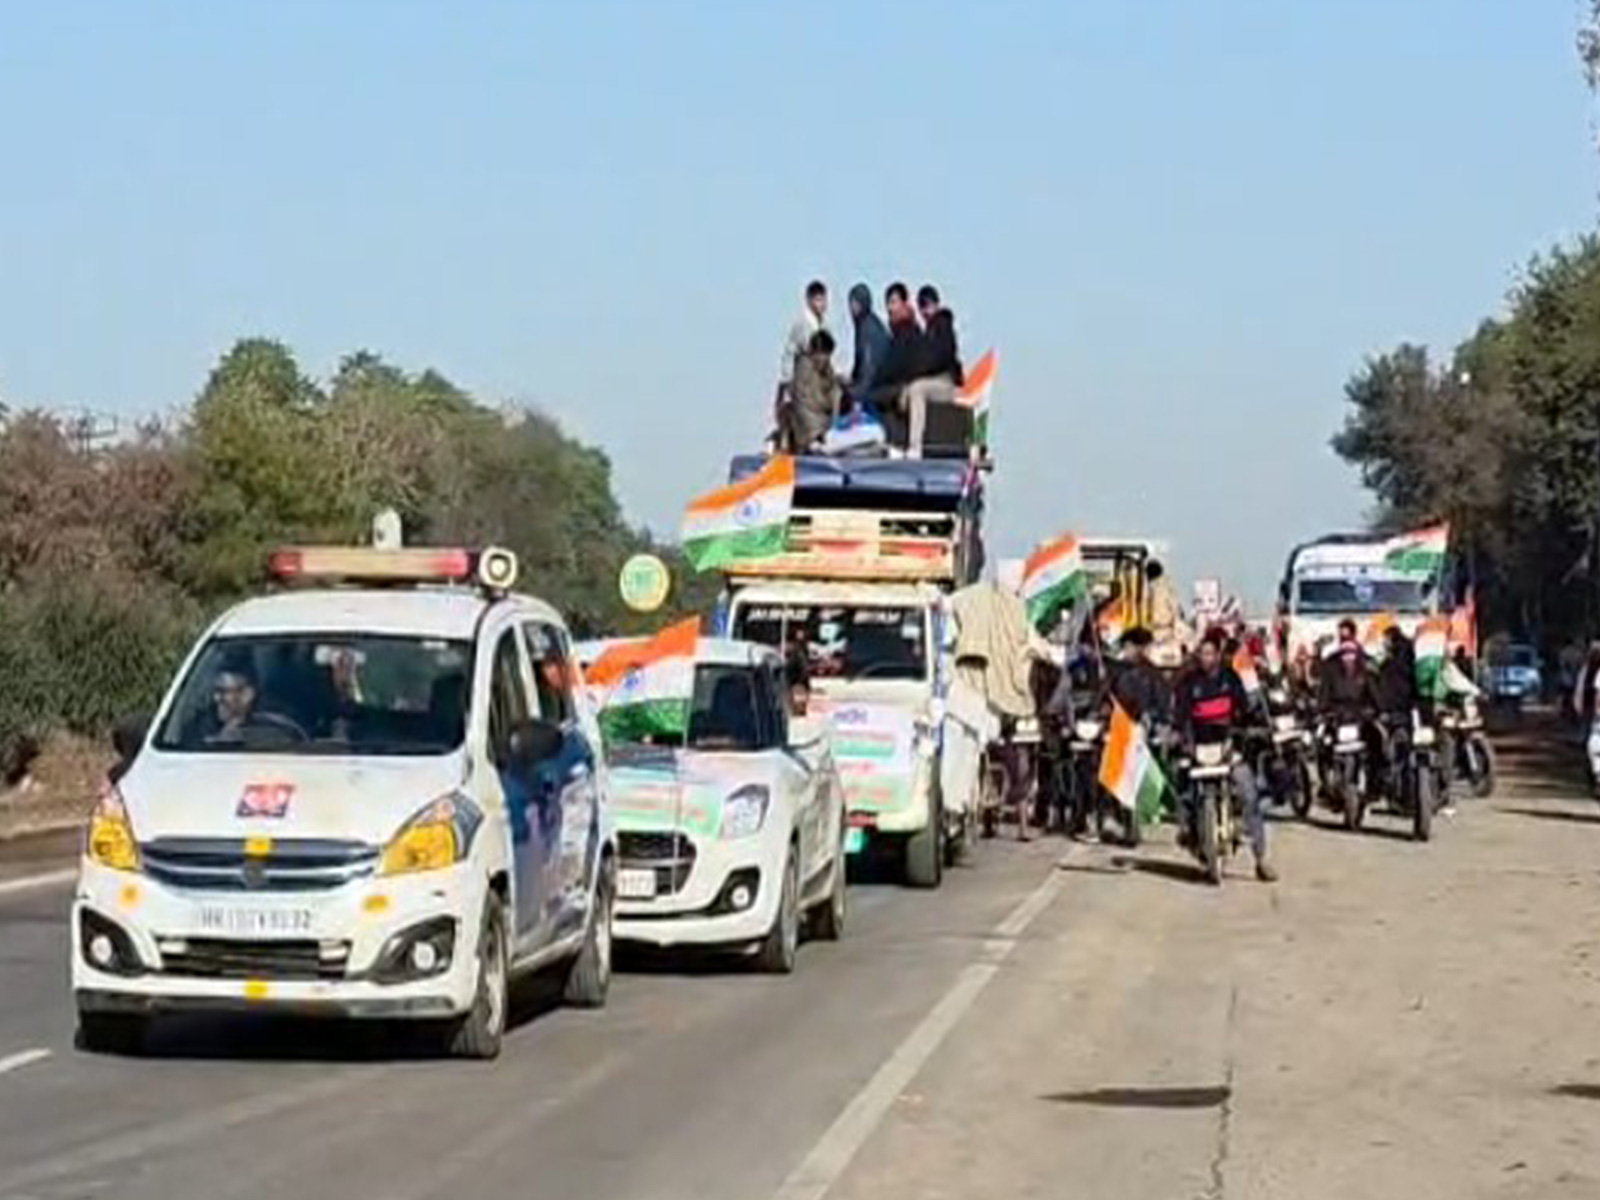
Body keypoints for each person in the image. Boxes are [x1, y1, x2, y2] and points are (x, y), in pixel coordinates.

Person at [1174, 632, 1276, 882]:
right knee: (1182, 786)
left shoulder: (1230, 679)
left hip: (1228, 748)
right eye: (1202, 654)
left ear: (1218, 655)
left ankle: (1261, 859)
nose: (1206, 658)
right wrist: (1179, 738)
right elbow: (1180, 716)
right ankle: (1189, 830)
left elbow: (1243, 710)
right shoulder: (1189, 683)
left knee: (1249, 795)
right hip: (1199, 749)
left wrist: (1251, 727)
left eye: (1210, 653)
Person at [898, 285, 965, 457]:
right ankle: (900, 443)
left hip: (947, 383)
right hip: (935, 381)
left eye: (928, 305)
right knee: (906, 394)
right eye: (922, 307)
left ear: (936, 304)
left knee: (917, 390)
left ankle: (915, 446)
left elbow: (939, 358)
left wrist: (918, 374)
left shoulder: (943, 325)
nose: (925, 311)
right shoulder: (928, 330)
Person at [863, 282, 925, 447]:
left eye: (893, 302)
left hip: (904, 385)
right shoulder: (902, 330)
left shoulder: (906, 330)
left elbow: (893, 366)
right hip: (903, 383)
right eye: (888, 304)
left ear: (904, 303)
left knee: (870, 397)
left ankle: (887, 441)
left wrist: (873, 384)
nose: (890, 309)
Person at [775, 280, 828, 421]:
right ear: (809, 301)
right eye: (817, 300)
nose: (821, 304)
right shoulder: (805, 324)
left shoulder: (818, 323)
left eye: (823, 300)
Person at [785, 329, 843, 452]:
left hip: (826, 427)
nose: (826, 359)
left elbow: (832, 390)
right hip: (809, 433)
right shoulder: (804, 369)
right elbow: (803, 404)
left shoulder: (826, 369)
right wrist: (817, 433)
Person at [1107, 627, 1171, 726]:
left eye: (1144, 647)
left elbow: (1162, 701)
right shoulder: (1116, 669)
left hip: (1145, 722)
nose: (1143, 651)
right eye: (1138, 647)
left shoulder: (1152, 673)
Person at [846, 283, 890, 403]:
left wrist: (856, 393)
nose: (851, 308)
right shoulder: (863, 325)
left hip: (875, 387)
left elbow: (869, 366)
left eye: (855, 304)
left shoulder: (869, 329)